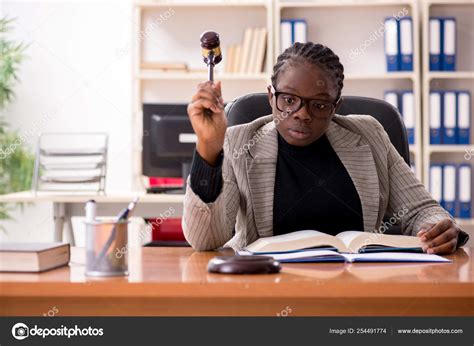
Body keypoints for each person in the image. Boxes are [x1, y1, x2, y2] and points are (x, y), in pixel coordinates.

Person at [183, 42, 468, 253]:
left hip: (360, 287)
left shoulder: (369, 135)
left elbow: (422, 209)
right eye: (289, 99)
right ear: (271, 97)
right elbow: (206, 240)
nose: (302, 114)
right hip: (268, 286)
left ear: (336, 107)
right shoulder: (240, 141)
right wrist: (209, 146)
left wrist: (438, 227)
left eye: (319, 105)